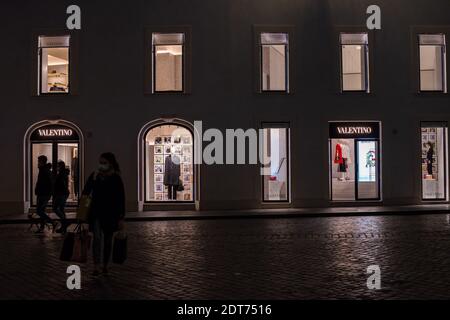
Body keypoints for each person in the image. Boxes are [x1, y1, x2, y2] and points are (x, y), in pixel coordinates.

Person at [82, 152, 125, 276]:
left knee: (107, 240)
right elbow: (86, 193)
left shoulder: (116, 178)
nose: (101, 165)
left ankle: (105, 264)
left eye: (104, 162)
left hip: (111, 214)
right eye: (100, 162)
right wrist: (82, 213)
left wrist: (121, 217)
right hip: (96, 213)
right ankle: (96, 265)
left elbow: (120, 198)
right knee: (97, 239)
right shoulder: (95, 176)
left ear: (110, 163)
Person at [34, 155, 55, 233]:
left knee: (39, 211)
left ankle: (53, 222)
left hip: (43, 194)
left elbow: (50, 183)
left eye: (38, 161)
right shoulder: (44, 170)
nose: (38, 163)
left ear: (42, 162)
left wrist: (48, 194)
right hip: (43, 193)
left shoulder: (44, 171)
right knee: (41, 210)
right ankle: (42, 227)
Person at [53, 160, 70, 233]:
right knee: (61, 209)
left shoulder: (61, 174)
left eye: (57, 166)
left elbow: (61, 184)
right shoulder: (63, 173)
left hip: (61, 193)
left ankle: (65, 222)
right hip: (64, 193)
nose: (57, 167)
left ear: (60, 166)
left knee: (55, 208)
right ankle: (63, 227)